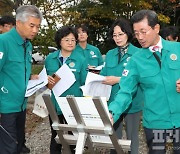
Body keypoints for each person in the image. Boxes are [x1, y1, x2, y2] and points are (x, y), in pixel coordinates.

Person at [109, 10, 180, 154]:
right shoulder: (135, 60)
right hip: (156, 123)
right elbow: (125, 91)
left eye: (143, 31)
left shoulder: (177, 49)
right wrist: (112, 112)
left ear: (156, 28)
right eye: (136, 33)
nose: (139, 37)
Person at [0, 5, 42, 154]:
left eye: (38, 26)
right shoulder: (3, 42)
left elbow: (12, 70)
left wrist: (31, 77)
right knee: (8, 149)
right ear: (18, 23)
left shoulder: (27, 45)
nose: (35, 30)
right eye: (32, 25)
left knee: (19, 147)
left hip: (21, 106)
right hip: (5, 108)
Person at [100, 18, 143, 154]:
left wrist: (118, 80)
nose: (117, 38)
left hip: (133, 102)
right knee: (113, 138)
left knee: (132, 139)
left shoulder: (139, 54)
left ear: (128, 34)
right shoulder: (110, 54)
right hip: (113, 102)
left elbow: (141, 78)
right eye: (114, 35)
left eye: (121, 34)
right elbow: (103, 74)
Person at [45, 26, 87, 154]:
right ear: (59, 41)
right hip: (54, 104)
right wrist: (46, 82)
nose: (70, 43)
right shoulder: (50, 59)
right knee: (56, 134)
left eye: (73, 40)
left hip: (73, 104)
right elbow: (45, 82)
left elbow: (85, 83)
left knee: (74, 136)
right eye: (67, 40)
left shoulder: (81, 60)